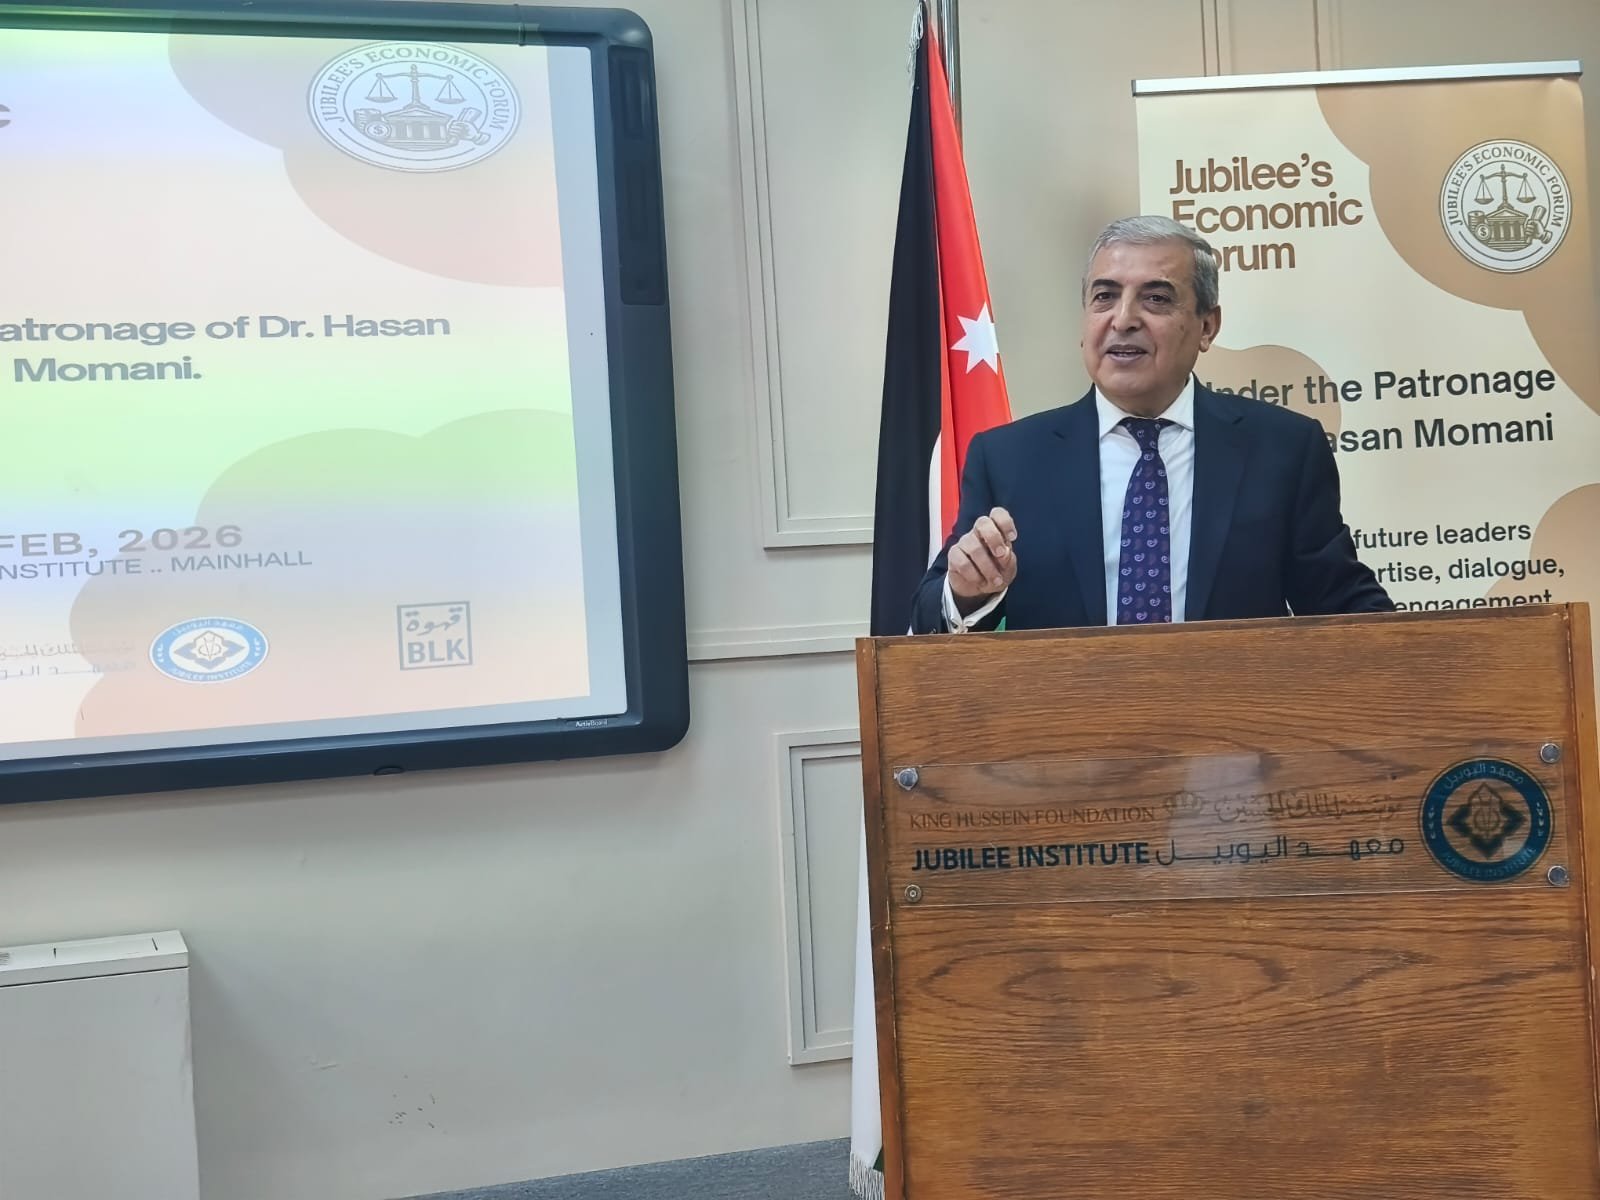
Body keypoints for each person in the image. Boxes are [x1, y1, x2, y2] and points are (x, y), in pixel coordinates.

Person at [912, 214, 1393, 633]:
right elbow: (930, 612)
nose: (1123, 319)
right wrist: (967, 590)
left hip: (1232, 710)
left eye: (1156, 299)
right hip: (1066, 710)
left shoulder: (1283, 449)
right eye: (1105, 297)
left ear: (1207, 327)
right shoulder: (1010, 458)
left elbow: (1341, 603)